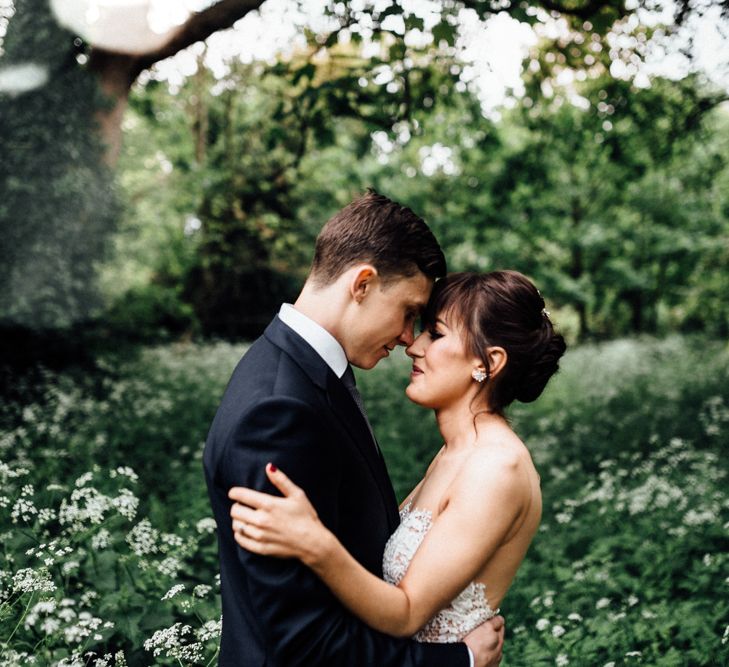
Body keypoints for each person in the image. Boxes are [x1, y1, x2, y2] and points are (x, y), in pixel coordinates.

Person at [203, 191, 505, 667]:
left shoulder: (300, 373)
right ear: (362, 284)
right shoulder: (280, 411)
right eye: (409, 311)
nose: (409, 337)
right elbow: (304, 643)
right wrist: (459, 661)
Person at [228, 270, 567, 650]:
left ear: (489, 363)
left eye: (436, 334)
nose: (414, 346)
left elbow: (407, 613)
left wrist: (317, 544)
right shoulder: (455, 452)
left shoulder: (495, 469)